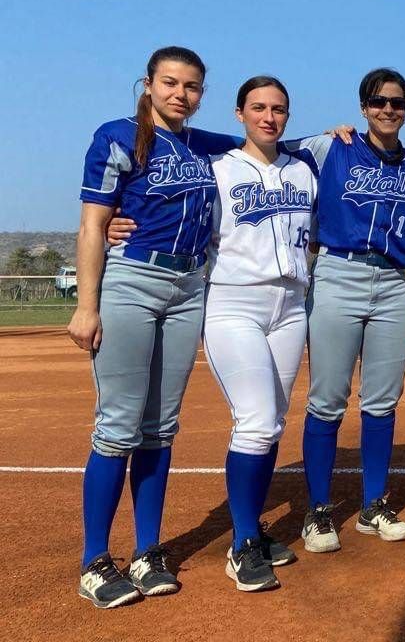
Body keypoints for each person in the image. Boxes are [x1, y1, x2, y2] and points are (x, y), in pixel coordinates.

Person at [71, 47, 238, 609]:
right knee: (118, 424)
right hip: (132, 282)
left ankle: (147, 551)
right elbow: (94, 225)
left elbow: (267, 143)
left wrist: (331, 135)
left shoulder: (202, 144)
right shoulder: (118, 135)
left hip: (189, 287)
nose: (180, 94)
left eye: (192, 87)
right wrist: (86, 306)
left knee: (161, 427)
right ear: (147, 84)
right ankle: (96, 560)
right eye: (170, 83)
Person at [284, 68, 405, 549]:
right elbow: (260, 148)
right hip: (338, 274)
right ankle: (318, 510)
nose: (387, 109)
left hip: (392, 282)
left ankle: (373, 505)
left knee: (382, 401)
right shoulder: (334, 147)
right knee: (327, 399)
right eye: (378, 101)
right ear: (363, 106)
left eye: (397, 102)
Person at [203, 76, 316, 590]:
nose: (269, 116)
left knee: (274, 421)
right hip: (234, 302)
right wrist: (119, 223)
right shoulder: (218, 170)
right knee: (255, 420)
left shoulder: (302, 171)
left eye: (278, 109)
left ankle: (254, 527)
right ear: (239, 113)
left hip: (291, 306)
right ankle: (243, 540)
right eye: (258, 107)